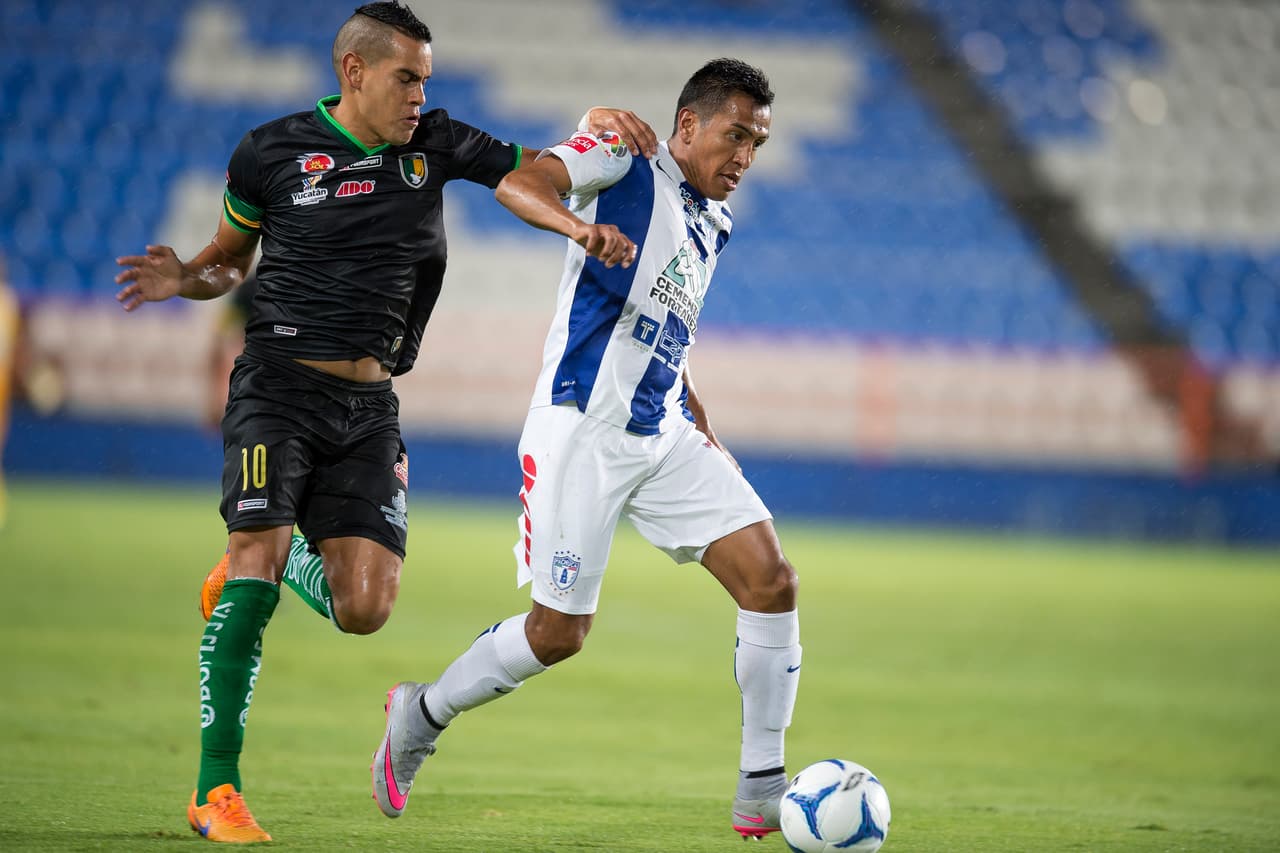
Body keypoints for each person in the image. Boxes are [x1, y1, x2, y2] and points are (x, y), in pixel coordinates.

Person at [114, 1, 656, 843]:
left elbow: (528, 173)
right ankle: (213, 789)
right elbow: (227, 266)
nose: (418, 94)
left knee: (363, 608)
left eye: (426, 79)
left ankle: (256, 555)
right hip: (276, 388)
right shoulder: (270, 152)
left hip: (370, 407)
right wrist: (182, 276)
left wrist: (580, 204)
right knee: (256, 563)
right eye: (407, 77)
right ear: (354, 71)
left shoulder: (434, 144)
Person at [370, 58, 801, 841]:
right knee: (558, 633)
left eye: (757, 144)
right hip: (581, 429)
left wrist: (701, 421)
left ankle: (761, 786)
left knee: (772, 582)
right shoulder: (621, 156)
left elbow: (671, 324)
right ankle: (421, 711)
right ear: (689, 125)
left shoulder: (715, 221)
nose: (743, 156)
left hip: (662, 430)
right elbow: (519, 184)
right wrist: (579, 226)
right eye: (734, 135)